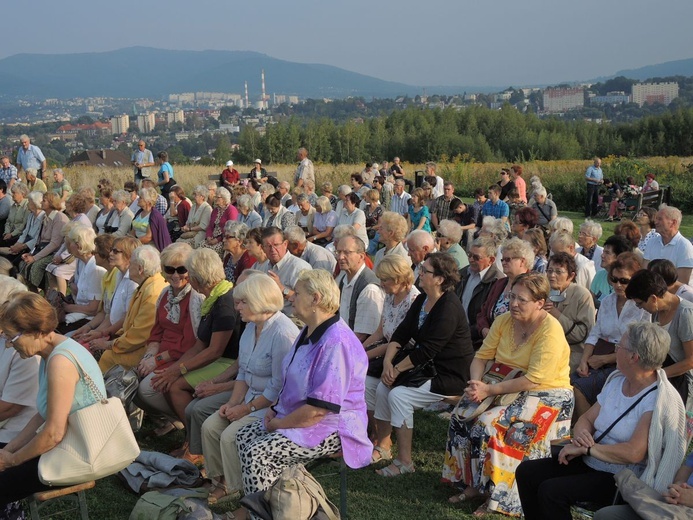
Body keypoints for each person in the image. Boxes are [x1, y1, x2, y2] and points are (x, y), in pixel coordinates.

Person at [233, 269, 371, 518]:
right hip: (298, 416)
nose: (290, 297)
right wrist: (275, 409)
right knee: (244, 437)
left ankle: (264, 512)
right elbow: (292, 382)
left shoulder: (336, 341)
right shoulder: (309, 330)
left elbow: (320, 409)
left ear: (315, 298)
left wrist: (279, 423)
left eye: (296, 293)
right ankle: (270, 506)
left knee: (259, 452)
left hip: (333, 428)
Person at [516, 322, 686, 520]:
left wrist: (588, 449)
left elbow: (633, 453)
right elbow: (587, 418)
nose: (615, 350)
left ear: (634, 357)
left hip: (621, 477)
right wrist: (582, 436)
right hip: (592, 459)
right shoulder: (617, 380)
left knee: (551, 491)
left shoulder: (657, 400)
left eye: (620, 347)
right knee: (527, 472)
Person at [443, 273, 574, 517]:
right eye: (512, 296)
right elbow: (481, 356)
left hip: (546, 393)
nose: (514, 303)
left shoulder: (550, 331)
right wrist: (476, 384)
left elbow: (533, 378)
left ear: (539, 302)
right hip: (503, 381)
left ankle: (496, 495)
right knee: (461, 416)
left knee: (490, 425)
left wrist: (488, 390)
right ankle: (472, 484)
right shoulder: (504, 320)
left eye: (521, 300)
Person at [0, 292, 107, 505]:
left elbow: (54, 434)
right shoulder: (51, 352)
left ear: (37, 332)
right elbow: (42, 415)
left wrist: (13, 460)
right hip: (63, 446)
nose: (9, 346)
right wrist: (9, 450)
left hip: (75, 455)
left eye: (12, 338)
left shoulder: (61, 361)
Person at [373, 252, 473, 478]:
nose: (419, 272)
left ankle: (405, 461)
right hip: (425, 367)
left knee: (399, 396)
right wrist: (389, 363)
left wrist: (397, 369)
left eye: (425, 270)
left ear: (439, 279)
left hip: (449, 374)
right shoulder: (422, 299)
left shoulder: (448, 307)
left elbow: (429, 350)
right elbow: (401, 333)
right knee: (382, 387)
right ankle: (384, 446)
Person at [201, 274, 298, 504]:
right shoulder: (251, 326)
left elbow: (278, 386)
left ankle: (239, 491)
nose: (237, 307)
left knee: (229, 436)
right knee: (211, 426)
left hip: (273, 406)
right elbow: (243, 370)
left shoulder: (282, 333)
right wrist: (233, 403)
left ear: (259, 300)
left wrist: (245, 409)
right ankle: (222, 480)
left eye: (242, 302)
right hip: (249, 397)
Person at [135, 243, 205, 435]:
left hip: (182, 357)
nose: (176, 275)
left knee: (147, 389)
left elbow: (190, 343)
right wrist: (149, 354)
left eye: (181, 269)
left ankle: (184, 423)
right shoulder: (166, 294)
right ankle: (171, 421)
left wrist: (156, 359)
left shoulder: (195, 298)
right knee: (133, 380)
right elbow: (156, 331)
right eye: (170, 269)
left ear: (190, 270)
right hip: (162, 353)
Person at [572, 253, 650, 419]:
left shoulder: (642, 306)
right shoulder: (607, 301)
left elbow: (641, 346)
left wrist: (605, 359)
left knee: (580, 387)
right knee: (571, 378)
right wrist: (584, 360)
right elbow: (595, 332)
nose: (618, 285)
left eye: (624, 281)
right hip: (599, 354)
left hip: (626, 361)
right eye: (614, 279)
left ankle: (588, 429)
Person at [626, 269, 693, 432]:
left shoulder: (685, 313)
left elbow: (690, 361)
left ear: (653, 298)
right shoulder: (657, 312)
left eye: (640, 303)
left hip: (683, 379)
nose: (641, 308)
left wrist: (657, 376)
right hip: (665, 372)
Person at [91, 245, 169, 373]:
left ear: (140, 269)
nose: (128, 267)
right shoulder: (146, 285)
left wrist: (111, 344)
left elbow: (140, 334)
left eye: (131, 264)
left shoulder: (153, 291)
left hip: (145, 349)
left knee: (107, 356)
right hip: (131, 342)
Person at [71, 236, 140, 346]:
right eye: (112, 250)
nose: (110, 254)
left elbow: (126, 318)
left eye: (116, 251)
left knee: (76, 349)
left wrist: (100, 333)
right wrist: (89, 329)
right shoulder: (118, 275)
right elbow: (109, 314)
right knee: (73, 341)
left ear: (129, 256)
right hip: (109, 332)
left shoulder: (133, 283)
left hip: (119, 338)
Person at [544, 252, 596, 370]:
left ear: (571, 276)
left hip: (572, 355)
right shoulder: (544, 291)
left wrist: (556, 314)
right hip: (544, 350)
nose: (552, 275)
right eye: (550, 270)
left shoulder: (582, 295)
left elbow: (583, 335)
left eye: (558, 272)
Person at [478, 238, 535, 339]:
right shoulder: (500, 283)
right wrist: (484, 328)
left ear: (522, 261)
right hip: (492, 341)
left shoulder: (532, 286)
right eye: (502, 259)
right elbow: (484, 311)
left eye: (508, 259)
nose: (503, 263)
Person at [456, 236, 506, 349]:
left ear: (491, 260)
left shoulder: (497, 282)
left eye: (476, 257)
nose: (471, 259)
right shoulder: (463, 273)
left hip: (475, 340)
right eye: (469, 255)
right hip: (456, 331)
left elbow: (487, 317)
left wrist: (464, 334)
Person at [58, 225, 107, 333]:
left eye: (70, 242)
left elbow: (93, 309)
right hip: (78, 309)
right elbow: (74, 286)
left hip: (88, 318)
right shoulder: (81, 261)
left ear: (78, 246)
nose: (68, 246)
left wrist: (67, 308)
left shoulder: (95, 269)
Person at [255, 227, 312, 318]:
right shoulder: (263, 267)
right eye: (268, 246)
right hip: (268, 317)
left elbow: (308, 301)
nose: (273, 250)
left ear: (285, 244)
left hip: (294, 319)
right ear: (262, 248)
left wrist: (282, 289)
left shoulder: (299, 267)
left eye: (276, 245)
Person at [335, 235, 384, 342]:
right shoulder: (344, 278)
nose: (340, 257)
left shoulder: (369, 289)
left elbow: (362, 335)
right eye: (338, 252)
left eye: (347, 252)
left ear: (361, 256)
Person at [19, 192, 68, 291]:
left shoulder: (58, 218)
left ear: (51, 203)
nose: (41, 202)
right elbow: (39, 240)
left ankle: (41, 294)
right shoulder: (46, 217)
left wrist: (35, 258)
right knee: (23, 264)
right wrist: (31, 253)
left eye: (44, 200)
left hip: (55, 253)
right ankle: (31, 294)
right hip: (43, 249)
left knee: (36, 266)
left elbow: (55, 244)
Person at [644, 206, 693, 284]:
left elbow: (682, 283)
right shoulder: (651, 242)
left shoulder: (684, 246)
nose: (655, 222)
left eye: (659, 219)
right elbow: (645, 272)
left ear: (673, 223)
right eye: (656, 218)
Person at [0, 192, 43, 264]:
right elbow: (25, 233)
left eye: (29, 202)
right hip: (25, 242)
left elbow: (37, 239)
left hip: (33, 247)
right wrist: (17, 245)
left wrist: (21, 247)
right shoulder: (31, 215)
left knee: (13, 262)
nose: (27, 203)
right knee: (7, 258)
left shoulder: (43, 217)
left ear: (34, 204)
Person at [590, 235, 634, 305]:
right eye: (603, 251)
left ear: (619, 257)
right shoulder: (599, 275)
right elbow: (590, 302)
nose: (602, 255)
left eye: (607, 253)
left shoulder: (628, 281)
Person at [130, 187, 172, 252]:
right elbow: (133, 231)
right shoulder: (139, 213)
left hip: (150, 246)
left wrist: (132, 243)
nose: (138, 199)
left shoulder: (154, 216)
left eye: (141, 198)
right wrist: (128, 241)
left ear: (148, 202)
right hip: (137, 243)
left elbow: (148, 237)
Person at [201, 187, 237, 255]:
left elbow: (230, 229)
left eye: (218, 197)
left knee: (210, 252)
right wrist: (208, 236)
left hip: (224, 239)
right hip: (212, 238)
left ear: (224, 199)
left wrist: (217, 239)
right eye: (215, 197)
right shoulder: (215, 210)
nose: (215, 199)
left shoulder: (231, 210)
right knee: (200, 247)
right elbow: (210, 226)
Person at [0, 183, 29, 249]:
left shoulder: (27, 206)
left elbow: (23, 225)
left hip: (18, 236)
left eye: (14, 193)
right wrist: (6, 232)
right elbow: (8, 222)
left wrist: (11, 234)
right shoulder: (13, 206)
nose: (12, 195)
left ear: (22, 194)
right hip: (8, 234)